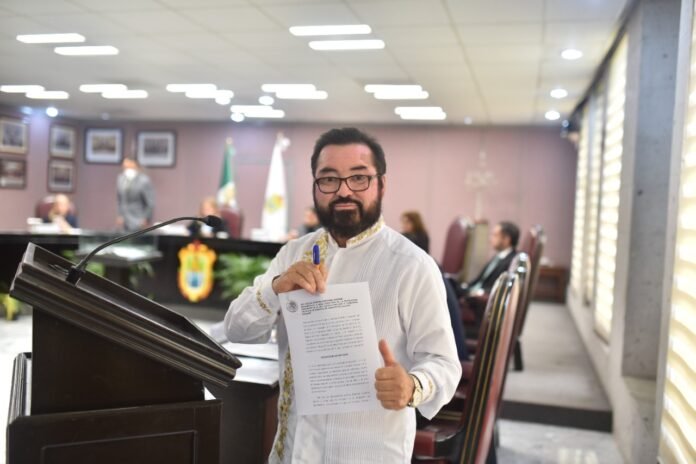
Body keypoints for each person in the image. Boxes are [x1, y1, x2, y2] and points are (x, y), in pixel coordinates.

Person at [223, 127, 460, 462]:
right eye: (329, 179)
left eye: (359, 178)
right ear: (315, 186)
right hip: (292, 451)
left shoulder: (411, 265)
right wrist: (276, 288)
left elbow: (444, 364)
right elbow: (236, 329)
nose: (344, 190)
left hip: (367, 453)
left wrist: (412, 386)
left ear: (381, 185)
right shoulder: (293, 253)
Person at [463, 221, 519, 296]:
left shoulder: (512, 261)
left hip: (481, 297)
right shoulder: (498, 256)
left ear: (506, 239)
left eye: (495, 235)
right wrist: (465, 286)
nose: (490, 239)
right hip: (472, 291)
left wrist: (479, 292)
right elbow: (480, 280)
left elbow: (501, 289)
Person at [116, 157, 155, 232]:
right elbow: (120, 199)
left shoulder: (144, 180)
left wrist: (146, 218)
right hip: (125, 220)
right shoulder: (121, 179)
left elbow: (150, 202)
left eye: (128, 165)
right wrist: (120, 214)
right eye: (124, 165)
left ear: (134, 164)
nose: (125, 167)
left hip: (138, 219)